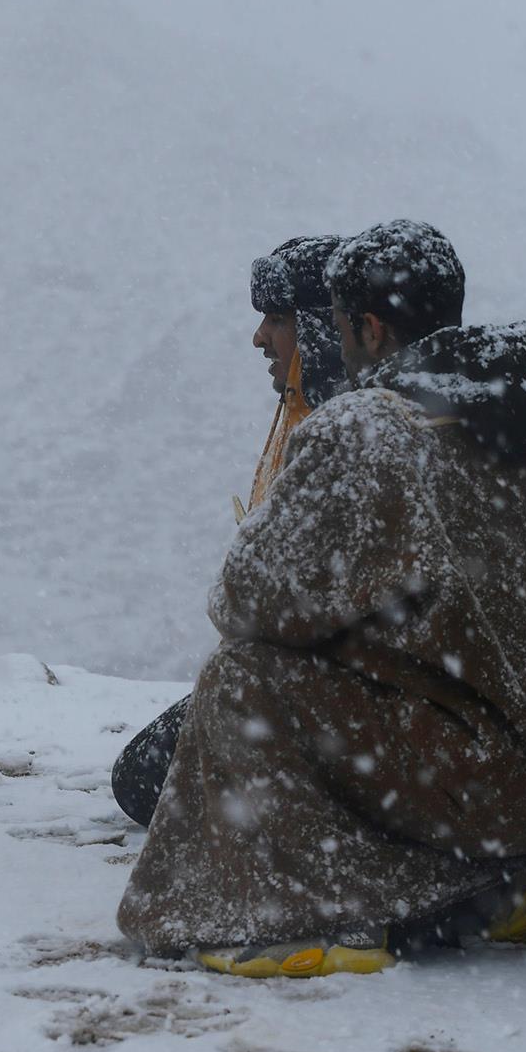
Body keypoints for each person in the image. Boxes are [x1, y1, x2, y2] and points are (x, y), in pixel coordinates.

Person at [117, 220, 526, 977]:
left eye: (335, 324)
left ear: (367, 327)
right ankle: (514, 871)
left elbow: (246, 597)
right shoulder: (515, 418)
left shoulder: (366, 426)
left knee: (243, 675)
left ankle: (304, 912)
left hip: (494, 777)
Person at [110, 235, 347, 827]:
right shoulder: (302, 414)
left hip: (325, 688)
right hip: (301, 676)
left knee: (146, 779)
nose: (259, 337)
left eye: (275, 319)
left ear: (317, 329)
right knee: (145, 772)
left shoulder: (339, 434)